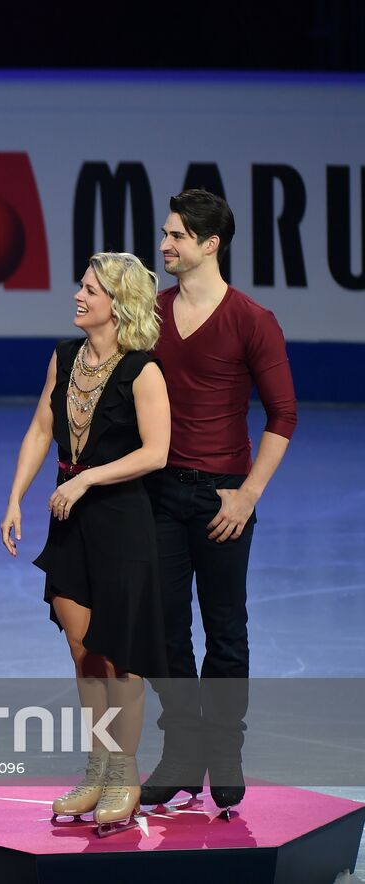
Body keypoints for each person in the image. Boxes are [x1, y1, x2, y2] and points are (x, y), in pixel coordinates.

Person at [1, 253, 171, 832]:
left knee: (120, 659)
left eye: (91, 289)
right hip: (67, 519)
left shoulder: (143, 371)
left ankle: (125, 772)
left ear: (118, 306)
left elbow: (157, 452)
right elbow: (42, 428)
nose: (78, 295)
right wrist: (15, 497)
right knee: (84, 655)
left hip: (121, 520)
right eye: (81, 286)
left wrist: (89, 477)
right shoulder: (65, 356)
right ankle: (98, 767)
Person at [140, 190, 296, 814]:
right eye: (165, 233)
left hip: (222, 501)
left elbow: (283, 415)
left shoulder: (253, 320)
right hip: (158, 495)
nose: (164, 246)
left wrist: (248, 493)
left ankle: (225, 754)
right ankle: (181, 753)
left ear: (211, 244)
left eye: (176, 236)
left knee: (225, 629)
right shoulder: (150, 313)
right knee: (167, 630)